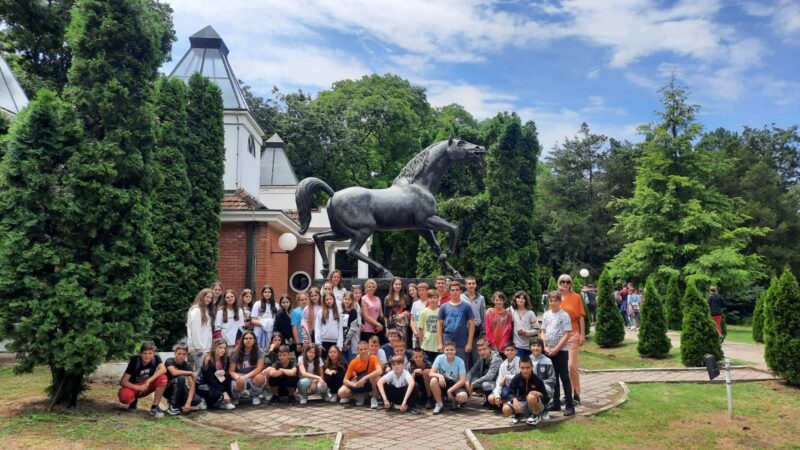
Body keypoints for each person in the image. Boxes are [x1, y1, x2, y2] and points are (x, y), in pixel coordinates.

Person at [540, 290, 575, 416]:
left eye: (555, 301)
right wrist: (544, 346)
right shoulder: (546, 315)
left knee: (564, 377)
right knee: (553, 377)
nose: (553, 303)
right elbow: (543, 331)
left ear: (560, 301)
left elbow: (567, 334)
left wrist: (557, 349)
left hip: (561, 351)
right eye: (551, 301)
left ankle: (569, 405)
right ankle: (556, 402)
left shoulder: (564, 315)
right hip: (548, 350)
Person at [117, 341, 168, 417]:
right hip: (134, 387)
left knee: (163, 378)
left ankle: (155, 407)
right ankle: (133, 401)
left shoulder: (156, 358)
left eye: (150, 353)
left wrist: (149, 380)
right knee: (124, 396)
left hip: (146, 385)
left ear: (153, 353)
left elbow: (163, 369)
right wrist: (138, 387)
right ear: (140, 353)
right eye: (144, 353)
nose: (147, 356)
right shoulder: (135, 360)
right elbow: (123, 382)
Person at [558, 274, 586, 407]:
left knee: (571, 366)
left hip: (573, 334)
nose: (565, 284)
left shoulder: (576, 297)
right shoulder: (556, 297)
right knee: (563, 367)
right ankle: (567, 395)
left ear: (571, 284)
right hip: (559, 336)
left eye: (567, 282)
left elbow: (581, 317)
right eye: (562, 282)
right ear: (559, 283)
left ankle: (576, 394)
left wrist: (582, 334)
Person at [501, 356, 550, 426]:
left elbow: (547, 398)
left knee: (531, 396)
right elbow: (510, 393)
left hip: (536, 405)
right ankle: (519, 415)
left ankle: (536, 415)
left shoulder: (537, 379)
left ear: (532, 367)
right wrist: (514, 399)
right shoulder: (516, 379)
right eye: (522, 368)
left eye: (527, 367)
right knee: (506, 409)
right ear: (519, 367)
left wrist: (541, 394)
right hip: (523, 403)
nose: (525, 370)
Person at [437, 281, 475, 367]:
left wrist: (469, 343)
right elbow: (439, 324)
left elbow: (472, 324)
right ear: (449, 291)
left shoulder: (466, 306)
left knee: (462, 366)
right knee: (446, 366)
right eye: (452, 290)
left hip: (462, 342)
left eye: (457, 290)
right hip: (447, 342)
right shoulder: (444, 306)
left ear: (461, 291)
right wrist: (439, 343)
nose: (455, 292)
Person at [338, 341, 382, 406]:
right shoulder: (353, 362)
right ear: (358, 350)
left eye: (365, 349)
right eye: (361, 349)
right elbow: (345, 380)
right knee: (341, 392)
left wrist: (365, 378)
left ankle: (373, 398)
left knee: (376, 377)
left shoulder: (373, 358)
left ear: (368, 349)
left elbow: (380, 371)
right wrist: (354, 385)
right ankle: (357, 396)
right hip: (359, 383)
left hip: (370, 382)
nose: (363, 351)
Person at [164, 343, 204, 415]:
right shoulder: (169, 361)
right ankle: (173, 406)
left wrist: (188, 402)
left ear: (186, 355)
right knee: (181, 378)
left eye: (184, 354)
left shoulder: (188, 366)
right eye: (179, 354)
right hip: (168, 389)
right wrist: (190, 372)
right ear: (175, 353)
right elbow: (174, 372)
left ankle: (180, 406)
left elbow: (192, 385)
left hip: (180, 389)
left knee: (196, 400)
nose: (181, 356)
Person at [229, 330, 266, 406]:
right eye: (246, 338)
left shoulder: (259, 351)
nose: (248, 340)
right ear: (242, 340)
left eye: (250, 338)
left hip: (252, 375)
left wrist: (246, 376)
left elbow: (259, 368)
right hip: (239, 374)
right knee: (239, 382)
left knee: (260, 378)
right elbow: (231, 371)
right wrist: (238, 378)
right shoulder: (236, 352)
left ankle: (255, 396)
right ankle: (236, 397)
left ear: (254, 340)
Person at [196, 338, 235, 410]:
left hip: (217, 382)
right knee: (216, 394)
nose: (223, 350)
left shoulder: (225, 358)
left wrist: (224, 372)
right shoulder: (208, 359)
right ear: (214, 348)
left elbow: (227, 375)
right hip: (205, 384)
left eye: (224, 348)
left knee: (228, 377)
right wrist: (223, 392)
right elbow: (208, 379)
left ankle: (225, 399)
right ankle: (204, 400)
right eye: (220, 348)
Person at [430, 341, 468, 414]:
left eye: (451, 350)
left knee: (463, 396)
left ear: (455, 351)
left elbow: (463, 380)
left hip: (455, 384)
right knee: (433, 380)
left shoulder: (460, 361)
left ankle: (454, 401)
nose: (449, 351)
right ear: (444, 351)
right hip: (444, 382)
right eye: (447, 350)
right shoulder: (439, 358)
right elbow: (431, 373)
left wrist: (450, 390)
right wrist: (439, 375)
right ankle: (439, 404)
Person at [466, 339, 502, 406]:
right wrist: (467, 380)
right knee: (471, 379)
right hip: (488, 381)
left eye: (484, 349)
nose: (482, 352)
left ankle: (491, 402)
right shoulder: (481, 358)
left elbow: (489, 376)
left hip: (497, 383)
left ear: (489, 348)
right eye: (479, 350)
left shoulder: (496, 359)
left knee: (485, 384)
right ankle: (465, 399)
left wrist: (474, 383)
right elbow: (472, 371)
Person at [462, 276, 486, 368]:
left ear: (475, 285)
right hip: (464, 330)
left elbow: (483, 315)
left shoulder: (481, 298)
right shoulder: (461, 297)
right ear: (466, 285)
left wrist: (483, 331)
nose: (471, 285)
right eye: (469, 283)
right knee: (464, 355)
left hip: (477, 330)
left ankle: (477, 374)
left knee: (477, 355)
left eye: (473, 283)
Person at [187, 288, 213, 371]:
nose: (209, 300)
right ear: (201, 297)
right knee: (200, 371)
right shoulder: (196, 311)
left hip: (205, 347)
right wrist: (198, 347)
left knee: (203, 370)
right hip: (199, 349)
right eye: (207, 297)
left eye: (211, 298)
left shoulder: (205, 310)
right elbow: (195, 330)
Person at [530, 337, 556, 415]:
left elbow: (553, 379)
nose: (536, 348)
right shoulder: (527, 360)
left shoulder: (547, 361)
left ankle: (544, 407)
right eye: (533, 345)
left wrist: (538, 384)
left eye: (538, 346)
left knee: (540, 393)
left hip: (545, 387)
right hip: (530, 387)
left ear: (542, 348)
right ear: (530, 347)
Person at [488, 343, 519, 408]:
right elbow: (499, 382)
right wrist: (497, 396)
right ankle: (503, 403)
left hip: (518, 388)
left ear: (516, 351)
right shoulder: (503, 365)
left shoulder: (519, 361)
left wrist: (507, 377)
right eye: (507, 350)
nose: (509, 352)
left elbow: (520, 376)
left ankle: (509, 404)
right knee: (491, 398)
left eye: (512, 350)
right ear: (504, 352)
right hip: (507, 388)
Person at [510, 290, 538, 359]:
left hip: (529, 346)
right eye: (518, 298)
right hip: (517, 345)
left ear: (526, 300)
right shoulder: (511, 310)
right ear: (515, 299)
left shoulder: (530, 313)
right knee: (519, 364)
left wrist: (526, 333)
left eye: (523, 298)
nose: (520, 300)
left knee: (529, 364)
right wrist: (491, 309)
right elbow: (501, 311)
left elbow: (537, 329)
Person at [385, 277, 410, 345]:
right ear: (392, 285)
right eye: (396, 284)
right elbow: (386, 315)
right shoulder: (387, 298)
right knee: (392, 344)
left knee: (402, 344)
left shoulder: (405, 297)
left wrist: (403, 314)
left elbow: (408, 311)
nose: (398, 286)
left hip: (402, 326)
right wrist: (386, 328)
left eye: (399, 284)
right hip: (391, 325)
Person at [417, 291, 441, 364]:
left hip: (437, 344)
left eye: (434, 297)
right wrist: (421, 343)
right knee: (428, 364)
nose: (432, 300)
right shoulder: (423, 312)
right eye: (430, 298)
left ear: (438, 299)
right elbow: (420, 329)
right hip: (427, 344)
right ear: (427, 299)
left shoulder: (441, 311)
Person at [360, 279, 384, 343]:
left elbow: (381, 314)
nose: (371, 288)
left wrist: (381, 325)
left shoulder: (378, 299)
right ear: (366, 288)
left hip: (378, 329)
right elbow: (365, 316)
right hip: (367, 329)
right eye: (369, 287)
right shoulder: (363, 299)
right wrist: (378, 324)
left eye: (373, 287)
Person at [340, 291, 361, 361]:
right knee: (343, 361)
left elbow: (353, 328)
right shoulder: (341, 311)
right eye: (345, 299)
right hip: (342, 340)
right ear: (343, 299)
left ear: (352, 301)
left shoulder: (353, 311)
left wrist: (346, 341)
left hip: (350, 341)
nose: (347, 301)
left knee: (351, 360)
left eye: (349, 299)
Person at [409, 283, 426, 348]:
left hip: (426, 336)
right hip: (416, 335)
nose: (421, 292)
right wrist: (415, 332)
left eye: (423, 290)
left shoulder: (430, 303)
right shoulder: (415, 304)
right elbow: (412, 320)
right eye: (419, 290)